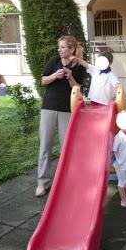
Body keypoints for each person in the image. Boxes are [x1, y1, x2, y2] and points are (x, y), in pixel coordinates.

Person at [36, 35, 85, 197]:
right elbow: (43, 81)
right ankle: (42, 183)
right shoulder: (53, 61)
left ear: (71, 49)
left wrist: (70, 76)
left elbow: (78, 89)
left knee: (66, 148)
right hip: (49, 107)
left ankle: (66, 181)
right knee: (45, 146)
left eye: (63, 47)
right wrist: (54, 76)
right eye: (59, 47)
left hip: (66, 110)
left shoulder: (78, 66)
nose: (60, 49)